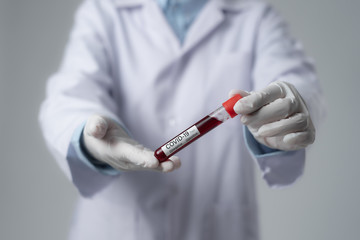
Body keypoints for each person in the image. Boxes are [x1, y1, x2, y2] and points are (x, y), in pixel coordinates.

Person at [39, 0, 325, 239]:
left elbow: (295, 77)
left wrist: (289, 104)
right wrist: (89, 137)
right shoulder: (105, 11)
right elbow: (71, 93)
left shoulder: (255, 15)